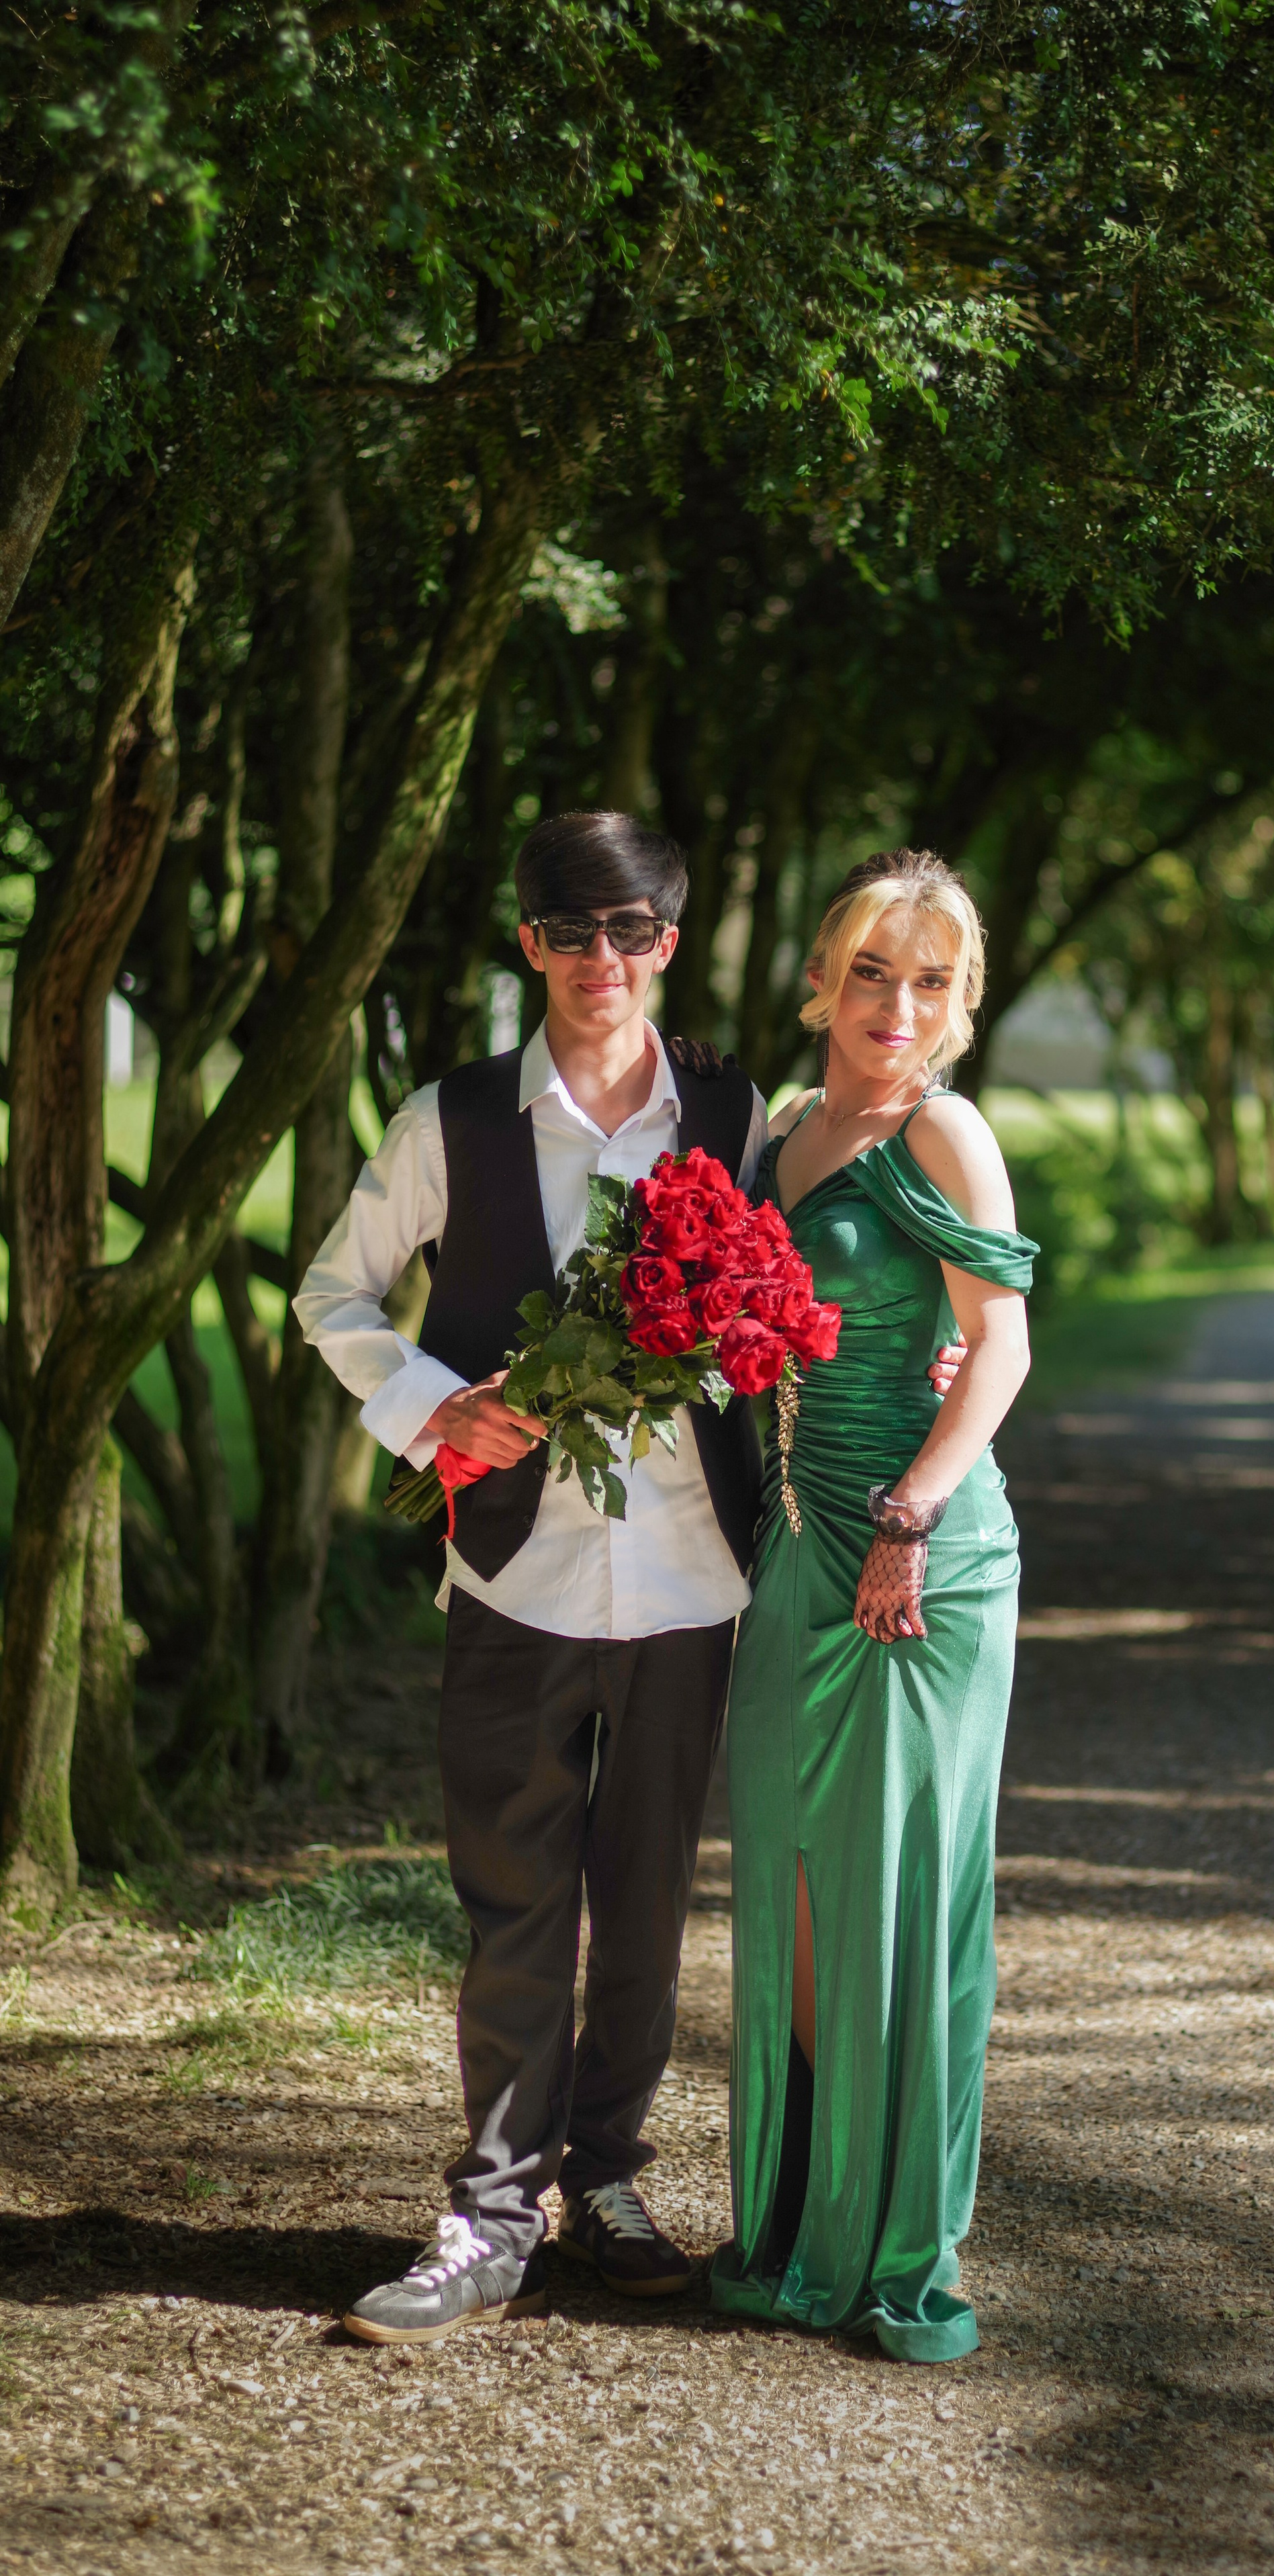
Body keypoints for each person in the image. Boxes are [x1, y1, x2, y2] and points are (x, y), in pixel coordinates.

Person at [295, 811, 962, 2344]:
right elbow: (331, 1289)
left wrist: (933, 1348)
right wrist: (428, 1406)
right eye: (569, 932)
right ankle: (489, 2208)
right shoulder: (449, 1119)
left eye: (632, 933)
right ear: (527, 944)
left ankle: (605, 2181)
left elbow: (842, 1257)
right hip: (510, 1571)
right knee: (512, 1895)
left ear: (668, 942)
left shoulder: (741, 1116)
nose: (602, 961)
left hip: (696, 1579)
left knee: (647, 1905)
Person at [709, 849, 1036, 2364]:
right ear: (821, 980)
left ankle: (890, 2236)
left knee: (894, 1889)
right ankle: (795, 2210)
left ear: (958, 1002)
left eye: (926, 979)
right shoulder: (781, 1131)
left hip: (919, 1555)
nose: (891, 1005)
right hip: (792, 1545)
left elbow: (1003, 1351)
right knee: (786, 1884)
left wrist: (907, 1515)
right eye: (866, 972)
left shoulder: (945, 1132)